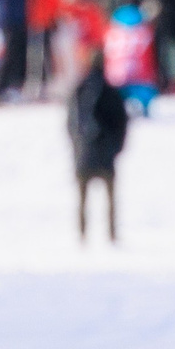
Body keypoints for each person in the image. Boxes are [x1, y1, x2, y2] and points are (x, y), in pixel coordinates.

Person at [69, 46, 128, 243]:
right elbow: (122, 124)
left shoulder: (78, 91)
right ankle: (112, 235)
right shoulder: (112, 93)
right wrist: (116, 148)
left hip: (83, 154)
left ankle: (82, 235)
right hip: (106, 154)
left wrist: (77, 146)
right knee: (110, 199)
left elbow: (70, 125)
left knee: (82, 199)